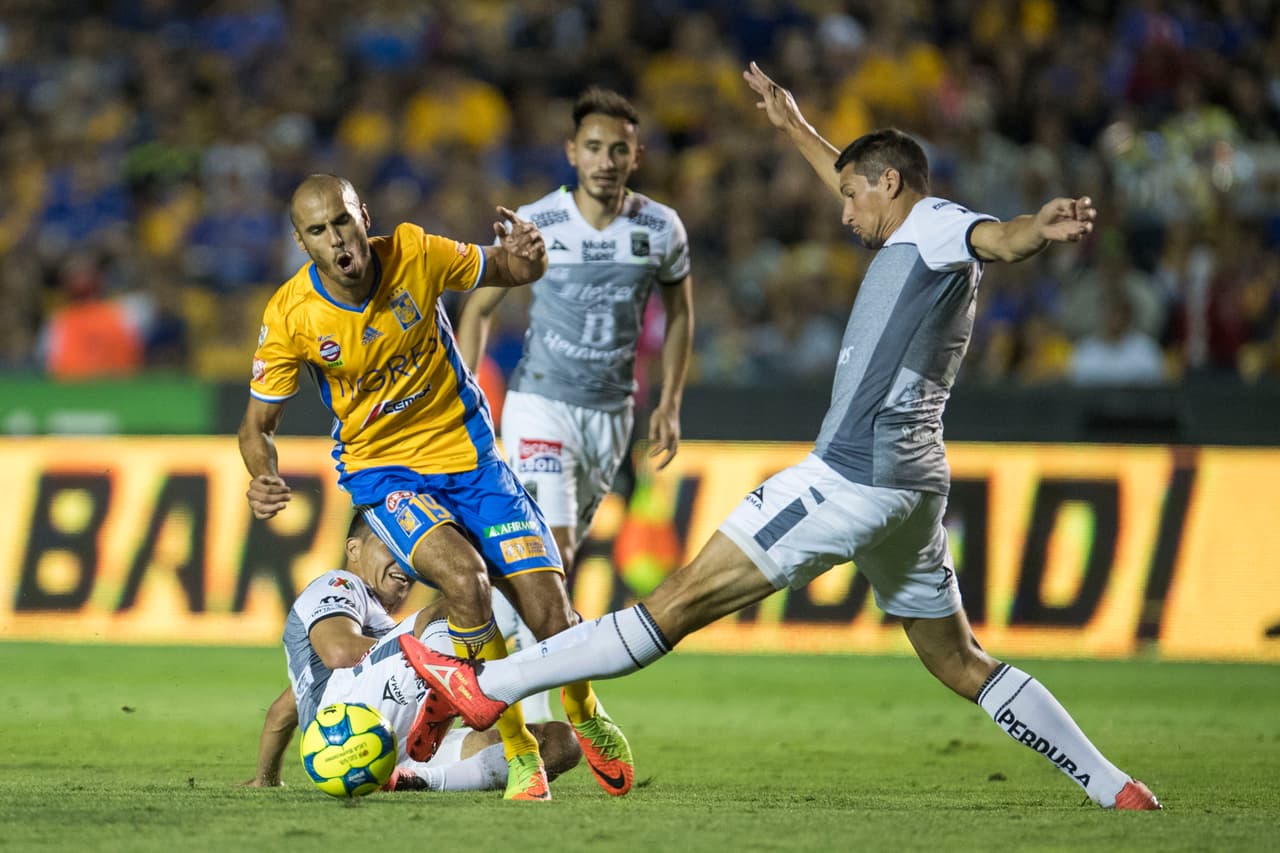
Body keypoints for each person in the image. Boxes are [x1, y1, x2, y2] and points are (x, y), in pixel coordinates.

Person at [397, 64, 1162, 811]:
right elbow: (855, 178)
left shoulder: (938, 225)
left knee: (671, 604)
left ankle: (486, 684)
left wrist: (1036, 230)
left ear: (891, 184)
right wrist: (794, 124)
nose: (844, 214)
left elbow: (998, 237)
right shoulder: (911, 228)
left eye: (853, 196)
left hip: (848, 479)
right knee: (961, 660)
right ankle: (1113, 785)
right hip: (914, 485)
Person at [237, 174, 632, 800]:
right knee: (467, 583)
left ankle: (583, 710)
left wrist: (528, 257)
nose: (336, 239)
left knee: (552, 616)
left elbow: (508, 269)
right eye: (318, 231)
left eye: (342, 221)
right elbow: (257, 425)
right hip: (384, 471)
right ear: (301, 242)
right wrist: (262, 472)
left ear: (363, 216)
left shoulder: (416, 253)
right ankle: (519, 749)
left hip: (472, 461)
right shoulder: (291, 315)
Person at [456, 86, 694, 721]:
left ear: (636, 156)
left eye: (618, 149)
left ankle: (468, 670)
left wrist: (669, 401)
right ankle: (533, 720)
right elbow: (478, 307)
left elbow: (680, 315)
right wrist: (467, 387)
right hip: (540, 404)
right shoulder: (538, 224)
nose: (605, 160)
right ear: (571, 152)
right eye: (593, 147)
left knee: (546, 568)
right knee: (552, 555)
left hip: (611, 416)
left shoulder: (660, 228)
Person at [241, 514, 580, 793]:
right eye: (391, 546)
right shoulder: (337, 584)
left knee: (559, 742)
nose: (405, 561)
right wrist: (433, 664)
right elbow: (340, 651)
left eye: (408, 551)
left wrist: (265, 779)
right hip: (350, 729)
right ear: (354, 549)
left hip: (393, 748)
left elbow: (282, 712)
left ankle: (417, 779)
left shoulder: (378, 636)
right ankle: (465, 678)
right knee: (461, 596)